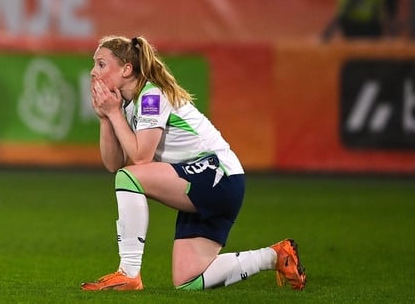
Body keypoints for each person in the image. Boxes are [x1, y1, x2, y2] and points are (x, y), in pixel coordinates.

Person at [80, 35, 306, 291]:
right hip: (209, 180)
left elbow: (141, 158)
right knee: (188, 280)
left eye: (101, 64)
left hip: (217, 175)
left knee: (128, 177)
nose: (92, 72)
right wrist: (105, 118)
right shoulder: (129, 103)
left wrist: (113, 114)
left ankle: (129, 272)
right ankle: (275, 256)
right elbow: (113, 163)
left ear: (126, 69)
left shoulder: (151, 96)